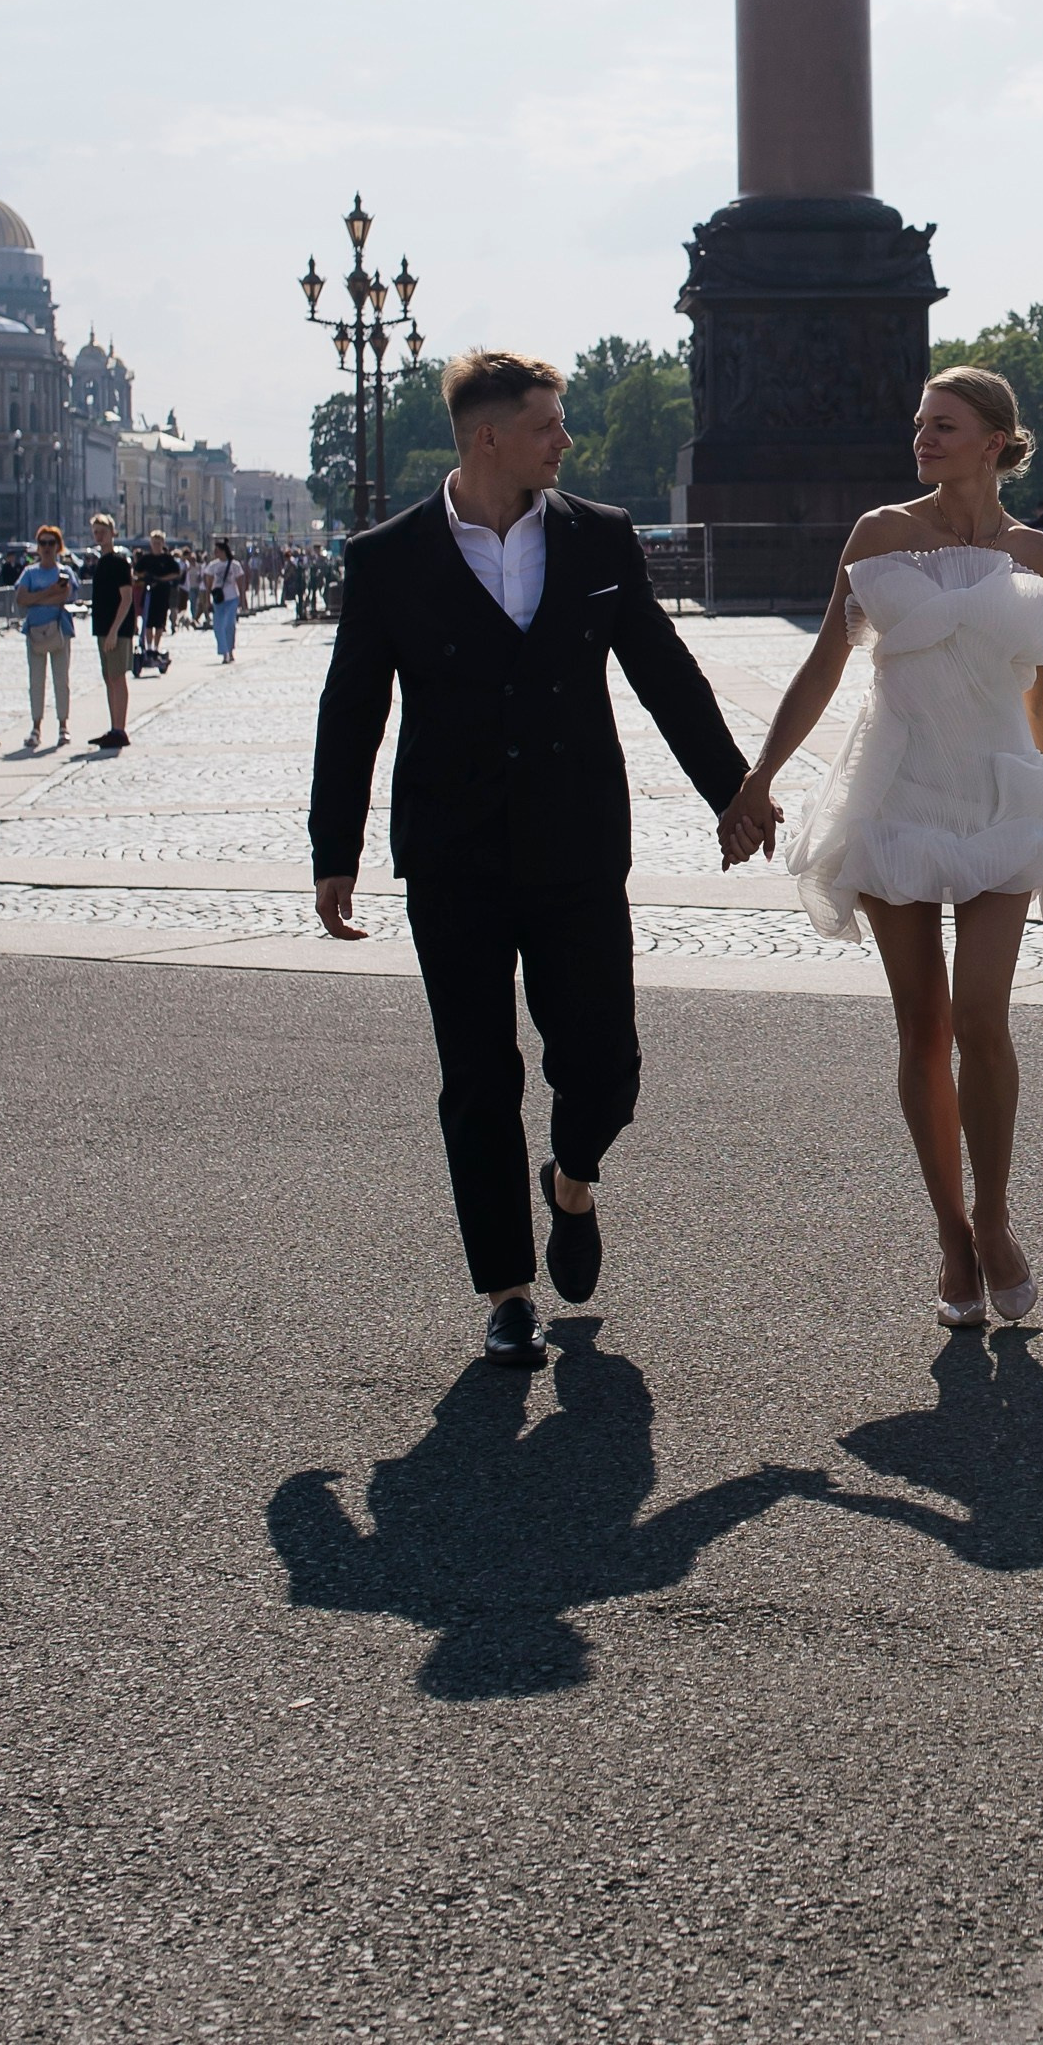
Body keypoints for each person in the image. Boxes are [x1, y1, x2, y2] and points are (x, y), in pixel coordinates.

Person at [307, 347, 761, 1372]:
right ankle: (506, 1291)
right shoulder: (387, 557)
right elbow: (352, 709)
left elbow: (662, 672)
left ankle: (573, 1172)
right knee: (476, 1073)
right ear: (489, 437)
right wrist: (333, 848)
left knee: (605, 1061)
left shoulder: (598, 537)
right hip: (453, 853)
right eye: (549, 422)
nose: (566, 437)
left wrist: (731, 789)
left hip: (574, 844)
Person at [720, 367, 1043, 1332]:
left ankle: (997, 1220)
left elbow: (1038, 687)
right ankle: (951, 1235)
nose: (922, 438)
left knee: (982, 1021)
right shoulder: (878, 534)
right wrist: (759, 778)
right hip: (898, 795)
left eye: (944, 426)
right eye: (919, 423)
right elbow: (825, 666)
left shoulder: (1038, 552)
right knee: (921, 1029)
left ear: (996, 441)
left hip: (1001, 794)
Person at [14, 524, 77, 750]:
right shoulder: (30, 572)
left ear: (58, 546)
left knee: (61, 680)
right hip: (35, 631)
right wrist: (49, 594)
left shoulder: (64, 572)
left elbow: (65, 597)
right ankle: (36, 726)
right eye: (43, 543)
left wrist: (38, 598)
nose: (47, 548)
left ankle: (63, 725)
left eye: (51, 543)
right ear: (38, 547)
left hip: (59, 630)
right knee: (36, 681)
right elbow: (21, 598)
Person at [86, 514, 136, 748]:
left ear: (112, 533)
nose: (99, 536)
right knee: (109, 678)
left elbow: (126, 598)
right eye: (96, 532)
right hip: (103, 628)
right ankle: (114, 725)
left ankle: (120, 728)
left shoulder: (119, 562)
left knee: (117, 677)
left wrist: (115, 629)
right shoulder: (100, 562)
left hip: (117, 629)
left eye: (102, 531)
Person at [133, 528, 179, 672]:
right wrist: (144, 577)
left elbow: (176, 573)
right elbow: (136, 572)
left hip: (162, 593)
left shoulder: (167, 559)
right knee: (148, 621)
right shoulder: (146, 559)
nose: (156, 545)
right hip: (149, 593)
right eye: (154, 543)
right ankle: (148, 647)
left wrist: (160, 579)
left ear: (163, 543)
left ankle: (156, 648)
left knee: (159, 623)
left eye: (159, 543)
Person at [208, 535, 242, 661]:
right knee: (218, 626)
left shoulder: (234, 565)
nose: (215, 553)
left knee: (229, 625)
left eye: (217, 550)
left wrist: (242, 600)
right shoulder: (213, 566)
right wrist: (207, 600)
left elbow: (240, 582)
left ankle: (230, 650)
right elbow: (208, 584)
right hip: (218, 600)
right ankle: (224, 652)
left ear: (223, 551)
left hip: (232, 598)